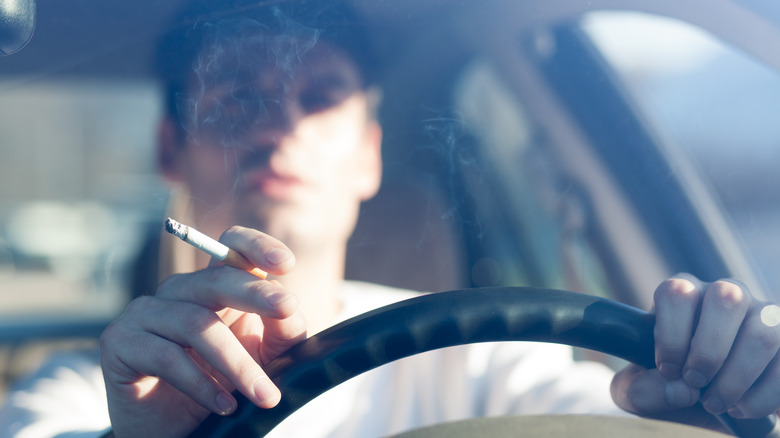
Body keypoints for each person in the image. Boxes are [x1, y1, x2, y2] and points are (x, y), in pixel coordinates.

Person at [3, 1, 780, 437]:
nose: (279, 126)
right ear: (171, 148)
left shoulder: (482, 356)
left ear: (370, 153)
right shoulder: (92, 389)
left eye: (321, 96)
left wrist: (711, 403)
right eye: (237, 95)